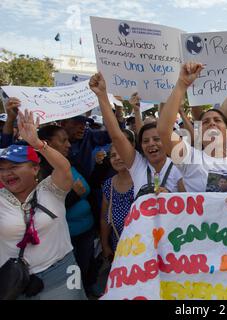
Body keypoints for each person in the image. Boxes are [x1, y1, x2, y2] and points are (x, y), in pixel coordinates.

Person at [0, 109, 85, 300]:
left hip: (62, 273)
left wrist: (37, 144)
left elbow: (63, 167)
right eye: (2, 169)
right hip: (13, 281)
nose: (6, 174)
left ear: (35, 169)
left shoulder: (51, 190)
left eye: (14, 167)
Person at [157, 62, 227, 211]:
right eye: (205, 122)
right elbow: (163, 130)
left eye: (217, 120)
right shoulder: (190, 157)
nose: (212, 123)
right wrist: (182, 84)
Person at [89, 73, 185, 199]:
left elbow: (188, 205)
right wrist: (102, 95)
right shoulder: (137, 164)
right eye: (145, 141)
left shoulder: (180, 168)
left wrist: (170, 198)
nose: (151, 143)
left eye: (156, 139)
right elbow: (116, 135)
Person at [37, 124, 96, 296]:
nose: (69, 145)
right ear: (46, 143)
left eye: (68, 140)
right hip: (68, 238)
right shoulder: (41, 172)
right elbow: (47, 208)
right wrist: (75, 196)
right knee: (73, 275)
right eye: (63, 140)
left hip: (87, 230)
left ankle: (88, 290)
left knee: (86, 267)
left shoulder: (72, 162)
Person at [100, 137, 135, 260]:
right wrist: (105, 246)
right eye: (113, 155)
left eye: (121, 153)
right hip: (120, 250)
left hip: (146, 248)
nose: (117, 158)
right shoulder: (109, 185)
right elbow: (105, 219)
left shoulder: (143, 180)